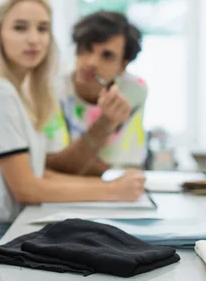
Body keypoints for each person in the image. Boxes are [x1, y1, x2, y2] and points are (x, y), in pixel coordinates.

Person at [0, 0, 146, 246]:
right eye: (20, 28)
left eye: (43, 29)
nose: (34, 39)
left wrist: (118, 186)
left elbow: (41, 173)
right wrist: (112, 191)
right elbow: (26, 187)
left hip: (14, 224)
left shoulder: (19, 93)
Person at [44, 11, 148, 174]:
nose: (91, 62)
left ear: (123, 65)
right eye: (86, 49)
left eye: (107, 56)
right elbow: (52, 167)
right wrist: (105, 123)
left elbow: (122, 168)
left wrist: (72, 159)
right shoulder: (51, 86)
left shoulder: (134, 91)